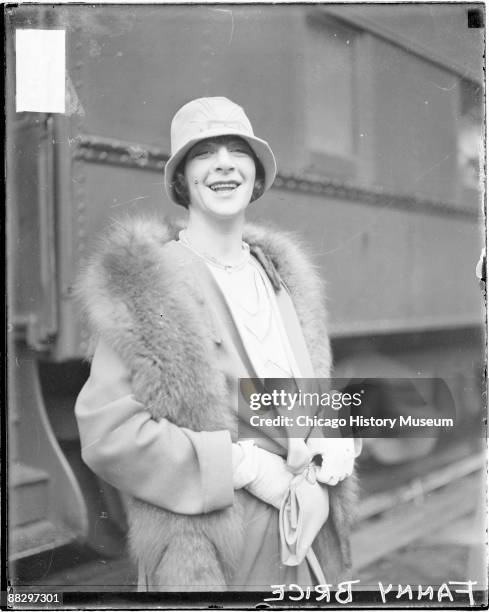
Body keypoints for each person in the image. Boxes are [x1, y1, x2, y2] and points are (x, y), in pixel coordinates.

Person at [75, 97, 359, 591]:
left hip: (304, 530)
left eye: (237, 150)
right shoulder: (148, 284)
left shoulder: (286, 279)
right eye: (204, 152)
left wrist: (337, 436)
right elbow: (108, 436)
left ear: (256, 174)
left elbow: (305, 394)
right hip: (213, 546)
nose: (224, 162)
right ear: (182, 179)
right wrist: (244, 467)